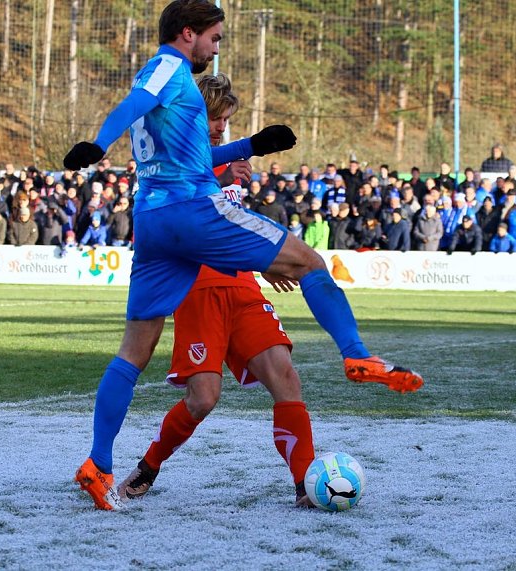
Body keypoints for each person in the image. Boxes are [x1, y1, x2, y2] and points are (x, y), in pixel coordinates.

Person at [64, 0, 422, 512]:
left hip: (155, 224)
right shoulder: (170, 67)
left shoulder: (170, 92)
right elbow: (133, 105)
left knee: (132, 353)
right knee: (310, 263)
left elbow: (179, 142)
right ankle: (356, 353)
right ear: (188, 33)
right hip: (192, 213)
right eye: (214, 37)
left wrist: (249, 145)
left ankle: (98, 465)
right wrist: (96, 145)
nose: (216, 46)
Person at [117, 72, 317, 509]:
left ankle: (306, 483)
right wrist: (227, 167)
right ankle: (149, 465)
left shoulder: (228, 164)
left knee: (286, 377)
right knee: (203, 398)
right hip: (200, 287)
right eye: (218, 120)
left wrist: (265, 258)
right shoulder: (174, 159)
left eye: (226, 122)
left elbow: (229, 223)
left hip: (241, 286)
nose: (223, 129)